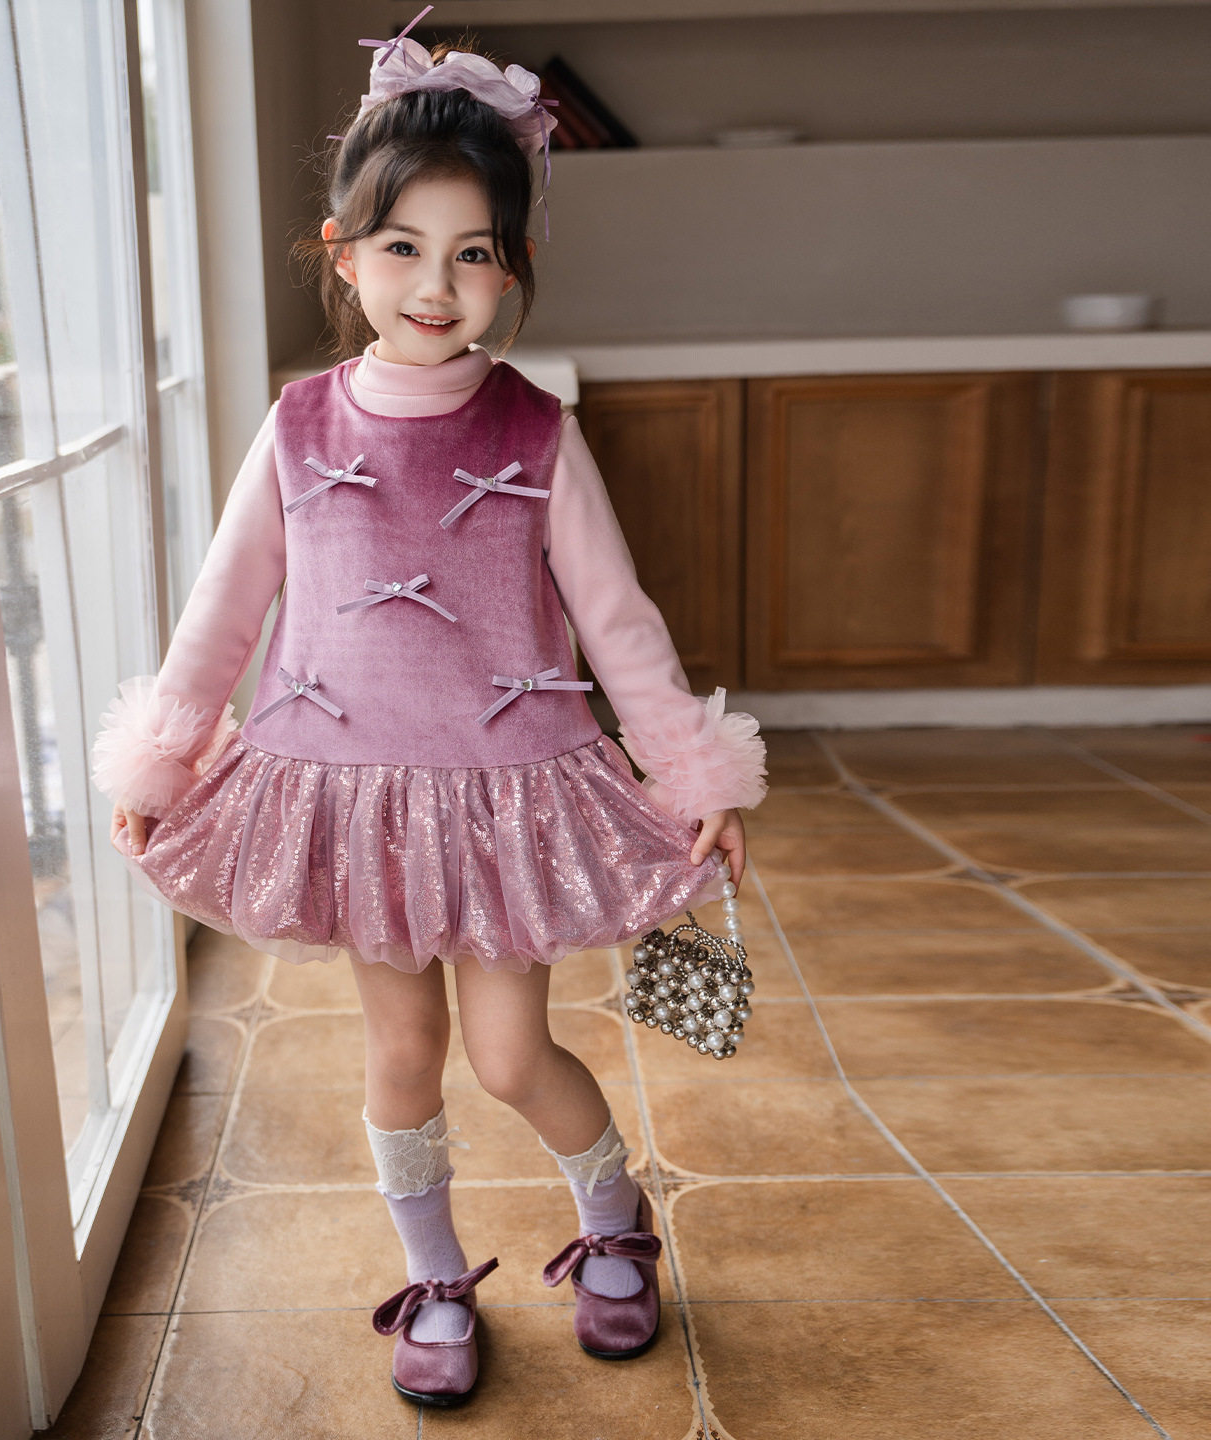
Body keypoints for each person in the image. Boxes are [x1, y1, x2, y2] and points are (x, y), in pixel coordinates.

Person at [90, 12, 767, 1409]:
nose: (437, 286)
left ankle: (614, 1223)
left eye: (473, 253)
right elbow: (223, 610)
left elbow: (618, 620)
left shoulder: (537, 430)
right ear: (344, 257)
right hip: (352, 795)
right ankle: (437, 1278)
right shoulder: (298, 426)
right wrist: (162, 760)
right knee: (402, 1051)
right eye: (403, 248)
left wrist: (695, 779)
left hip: (507, 794)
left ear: (512, 267)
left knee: (511, 1055)